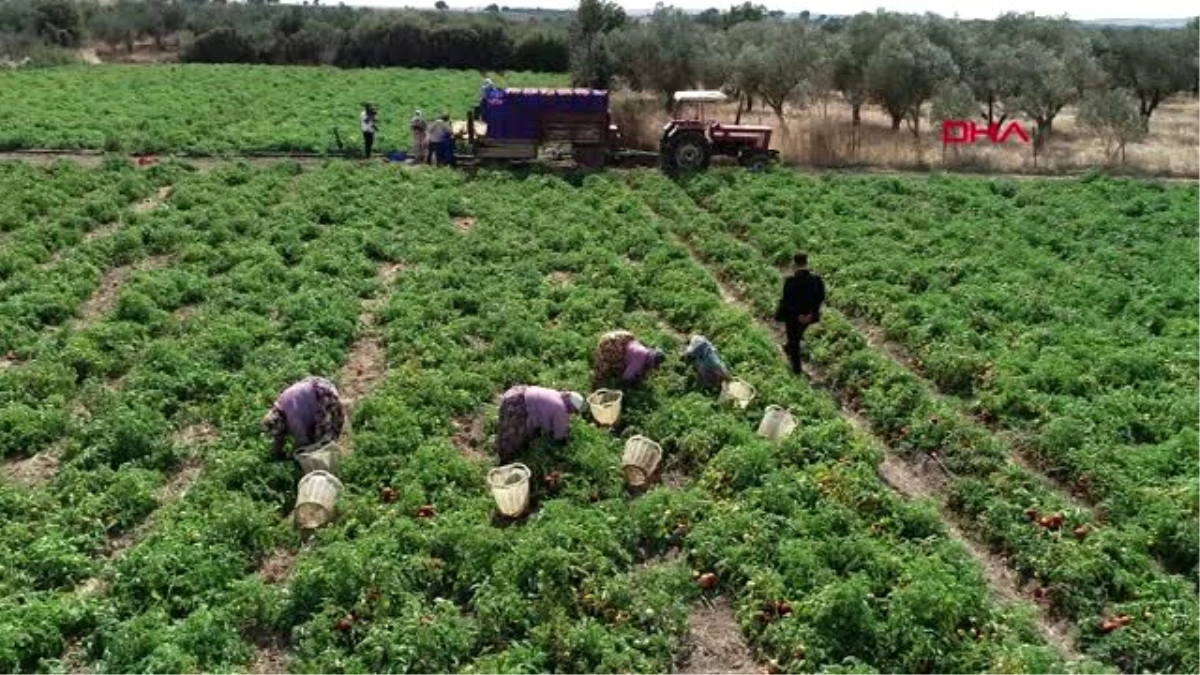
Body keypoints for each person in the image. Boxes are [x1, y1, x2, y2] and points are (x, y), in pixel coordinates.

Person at [496, 386, 587, 464]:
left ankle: (506, 452)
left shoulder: (557, 394)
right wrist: (562, 446)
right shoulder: (561, 409)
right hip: (518, 405)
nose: (573, 413)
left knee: (514, 429)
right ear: (572, 407)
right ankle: (506, 460)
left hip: (517, 393)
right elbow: (560, 435)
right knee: (513, 435)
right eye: (574, 411)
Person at [262, 376, 346, 457]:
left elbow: (304, 444)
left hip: (324, 395)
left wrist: (296, 453)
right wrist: (277, 451)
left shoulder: (293, 420)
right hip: (319, 382)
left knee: (320, 440)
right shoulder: (280, 404)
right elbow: (278, 437)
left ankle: (330, 454)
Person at [774, 251, 826, 375]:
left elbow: (788, 301)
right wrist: (811, 314)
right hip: (810, 316)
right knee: (797, 334)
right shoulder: (817, 279)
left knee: (794, 341)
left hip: (793, 316)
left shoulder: (790, 281)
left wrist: (798, 315)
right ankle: (788, 347)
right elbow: (820, 297)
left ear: (794, 264)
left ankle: (796, 370)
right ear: (807, 262)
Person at [591, 330, 666, 388]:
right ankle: (596, 385)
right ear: (652, 360)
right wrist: (627, 387)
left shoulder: (644, 351)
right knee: (605, 367)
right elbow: (627, 376)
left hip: (619, 340)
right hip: (612, 344)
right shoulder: (640, 358)